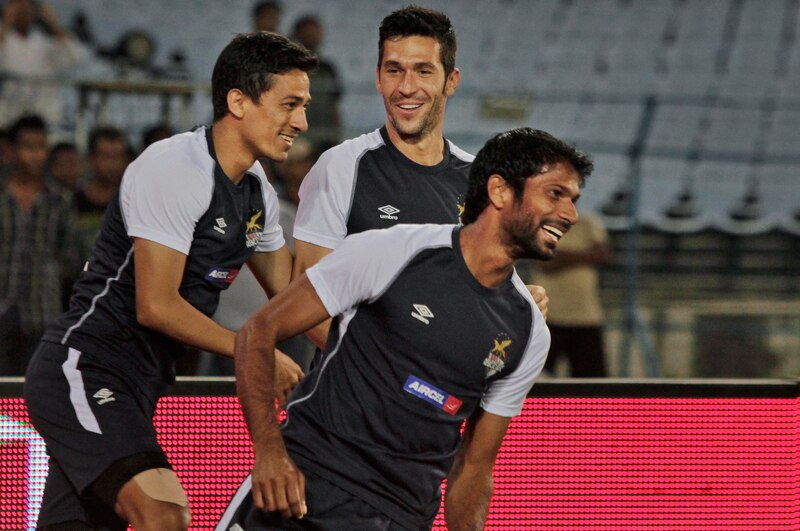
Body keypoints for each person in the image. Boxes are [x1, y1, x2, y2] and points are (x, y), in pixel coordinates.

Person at [217, 127, 593, 530]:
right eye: (555, 194)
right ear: (500, 191)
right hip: (302, 487)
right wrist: (270, 454)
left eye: (573, 200)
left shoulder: (530, 331)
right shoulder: (394, 250)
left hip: (401, 518)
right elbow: (259, 331)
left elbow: (474, 468)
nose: (570, 215)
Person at [24, 32, 317, 530]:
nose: (302, 122)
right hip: (85, 368)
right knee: (164, 516)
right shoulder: (174, 167)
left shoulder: (258, 193)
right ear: (238, 101)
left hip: (138, 385)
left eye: (305, 106)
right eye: (290, 104)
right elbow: (155, 306)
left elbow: (295, 298)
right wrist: (257, 351)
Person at [292, 6, 547, 351]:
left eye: (423, 71)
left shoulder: (482, 181)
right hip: (358, 400)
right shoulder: (340, 167)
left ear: (451, 81)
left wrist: (519, 304)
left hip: (444, 401)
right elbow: (310, 310)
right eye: (394, 70)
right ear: (378, 78)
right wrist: (400, 381)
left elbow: (490, 294)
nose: (406, 87)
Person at [0, 114, 78, 375]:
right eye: (29, 146)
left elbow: (68, 258)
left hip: (42, 311)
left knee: (33, 390)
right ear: (11, 149)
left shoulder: (60, 200)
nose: (36, 155)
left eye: (42, 147)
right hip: (1, 306)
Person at [533, 210, 611, 377]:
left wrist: (562, 256)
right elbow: (546, 262)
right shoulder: (541, 223)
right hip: (548, 315)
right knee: (533, 380)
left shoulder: (588, 222)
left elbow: (603, 255)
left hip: (585, 316)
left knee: (593, 386)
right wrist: (585, 254)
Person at [0, 0, 88, 126]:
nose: (24, 12)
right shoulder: (4, 39)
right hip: (9, 117)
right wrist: (6, 25)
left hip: (43, 117)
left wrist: (53, 24)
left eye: (28, 7)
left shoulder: (43, 42)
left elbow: (76, 58)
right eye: (19, 7)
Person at [73, 126, 130, 260]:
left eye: (118, 156)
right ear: (91, 159)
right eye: (106, 156)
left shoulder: (131, 204)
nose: (113, 164)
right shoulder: (73, 202)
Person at [290, 15, 342, 149]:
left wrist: (336, 134)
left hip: (325, 134)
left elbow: (334, 104)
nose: (312, 36)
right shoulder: (290, 67)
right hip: (300, 135)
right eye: (308, 32)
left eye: (316, 32)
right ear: (298, 34)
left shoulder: (327, 68)